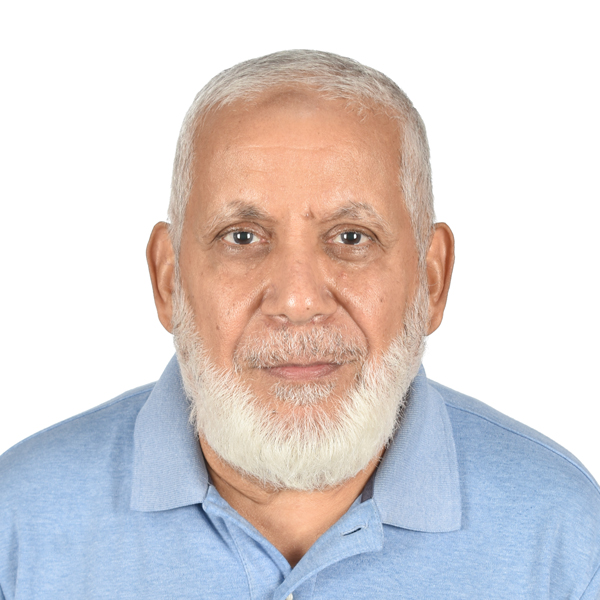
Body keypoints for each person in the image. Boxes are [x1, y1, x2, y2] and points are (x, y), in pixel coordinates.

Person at [1, 50, 599, 599]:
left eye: (351, 237)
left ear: (431, 280)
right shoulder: (16, 526)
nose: (296, 300)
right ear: (169, 280)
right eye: (242, 237)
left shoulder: (566, 538)